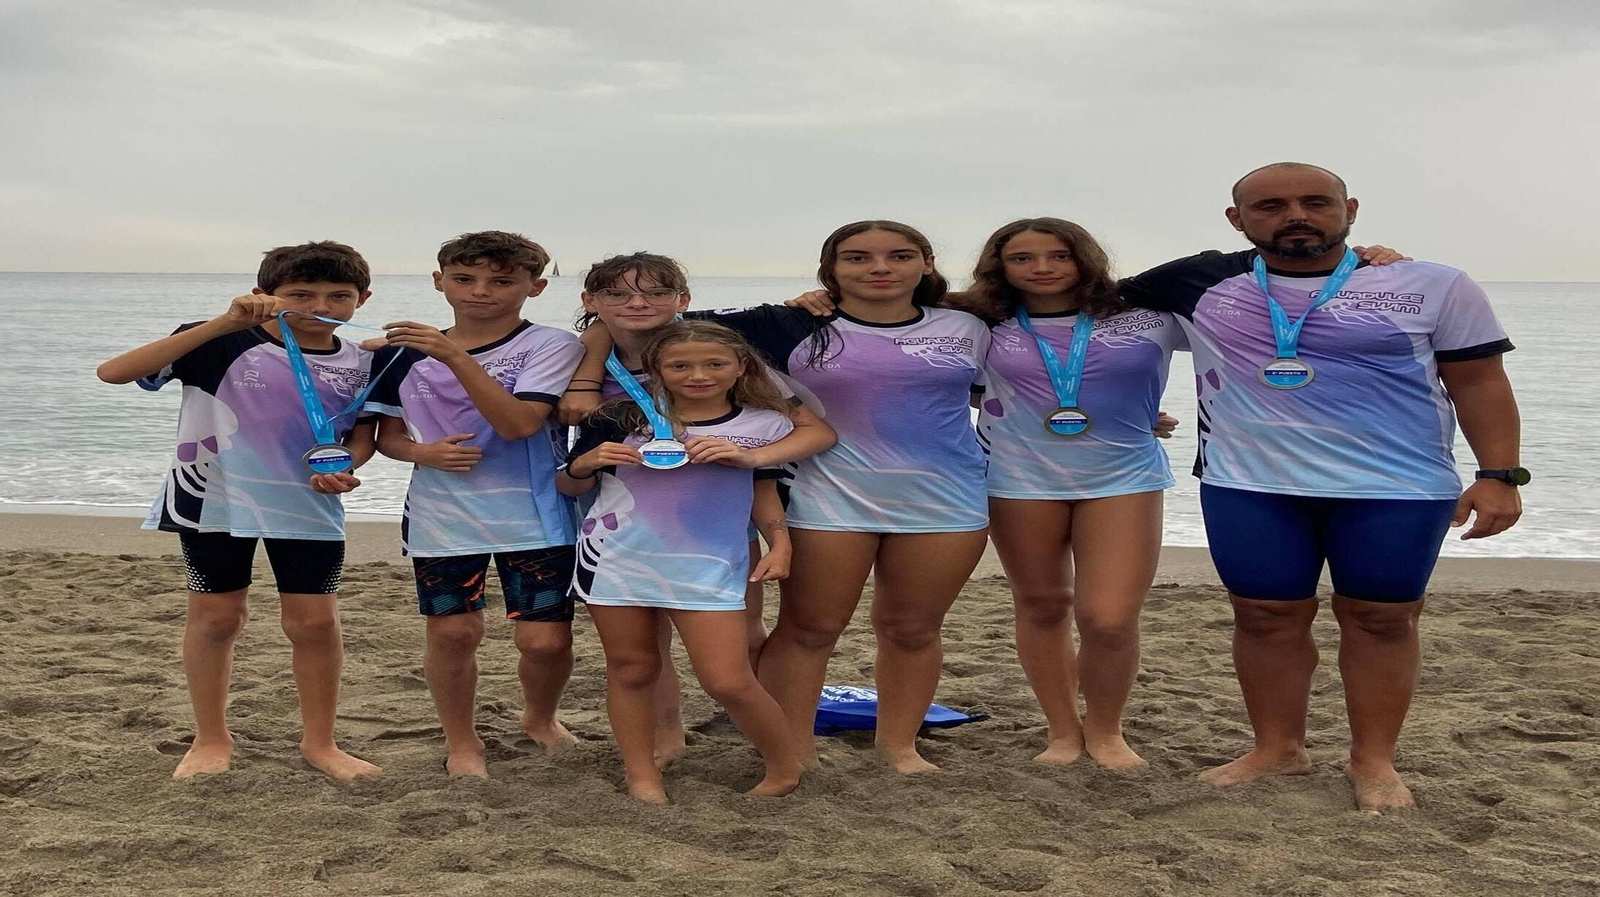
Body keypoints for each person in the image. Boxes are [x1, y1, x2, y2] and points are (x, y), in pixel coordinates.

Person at [1118, 162, 1524, 810]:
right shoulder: (1196, 280)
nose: (1295, 215)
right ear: (1237, 219)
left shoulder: (1431, 283)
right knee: (1263, 616)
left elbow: (1477, 381)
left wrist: (1498, 475)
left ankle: (1374, 760)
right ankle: (1277, 748)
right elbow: (1070, 307)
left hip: (1397, 487)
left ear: (1350, 208)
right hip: (1249, 483)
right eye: (1272, 205)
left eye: (1315, 201)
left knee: (1383, 620)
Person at [566, 222, 992, 774]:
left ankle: (898, 747)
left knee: (909, 628)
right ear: (830, 270)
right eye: (858, 257)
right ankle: (783, 749)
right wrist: (588, 363)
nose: (878, 267)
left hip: (942, 497)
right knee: (802, 630)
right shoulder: (792, 323)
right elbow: (656, 325)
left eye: (899, 255)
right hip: (822, 495)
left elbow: (1023, 381)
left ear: (928, 262)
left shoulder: (969, 324)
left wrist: (754, 458)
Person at [95, 241, 384, 781]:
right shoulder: (218, 340)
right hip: (212, 500)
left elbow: (362, 436)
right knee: (216, 617)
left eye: (337, 295)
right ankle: (210, 738)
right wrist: (219, 322)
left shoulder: (366, 360)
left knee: (315, 623)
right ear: (264, 296)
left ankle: (320, 742)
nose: (319, 304)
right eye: (300, 294)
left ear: (361, 299)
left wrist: (345, 466)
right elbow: (113, 372)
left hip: (307, 504)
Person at [559, 252, 835, 766]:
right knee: (641, 645)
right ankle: (667, 734)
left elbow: (810, 429)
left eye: (655, 292)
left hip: (717, 519)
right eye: (618, 294)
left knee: (742, 636)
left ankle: (761, 731)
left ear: (683, 300)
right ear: (592, 303)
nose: (637, 303)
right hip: (621, 515)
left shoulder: (718, 351)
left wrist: (754, 459)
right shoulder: (579, 352)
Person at [362, 231, 583, 777]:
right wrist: (421, 451)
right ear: (440, 282)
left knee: (545, 641)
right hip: (443, 516)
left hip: (538, 516)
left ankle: (540, 718)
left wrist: (453, 354)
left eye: (501, 281)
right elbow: (388, 437)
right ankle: (462, 741)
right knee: (454, 632)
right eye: (464, 279)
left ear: (533, 287)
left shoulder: (551, 346)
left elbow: (519, 424)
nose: (481, 291)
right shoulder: (403, 354)